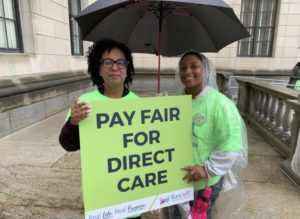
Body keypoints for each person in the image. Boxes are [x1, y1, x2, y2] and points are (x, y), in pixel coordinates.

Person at [59, 38, 140, 219]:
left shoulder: (138, 104)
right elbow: (68, 144)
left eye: (120, 62)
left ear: (127, 69)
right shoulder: (85, 103)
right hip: (99, 193)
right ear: (98, 68)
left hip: (132, 194)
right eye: (108, 62)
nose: (115, 67)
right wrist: (73, 122)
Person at [163, 50, 247, 219]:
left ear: (206, 70)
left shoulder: (221, 104)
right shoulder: (175, 102)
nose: (187, 71)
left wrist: (207, 169)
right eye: (183, 67)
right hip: (173, 180)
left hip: (202, 183)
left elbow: (231, 144)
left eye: (194, 66)